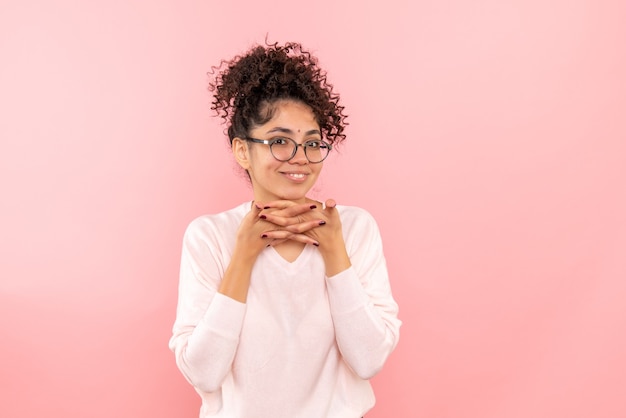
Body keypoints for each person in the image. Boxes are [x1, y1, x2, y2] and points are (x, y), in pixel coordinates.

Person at [169, 41, 401, 418]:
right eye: (279, 141)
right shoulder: (209, 237)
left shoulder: (356, 229)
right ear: (242, 150)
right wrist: (243, 256)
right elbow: (205, 373)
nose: (300, 158)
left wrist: (335, 255)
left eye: (312, 143)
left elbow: (369, 360)